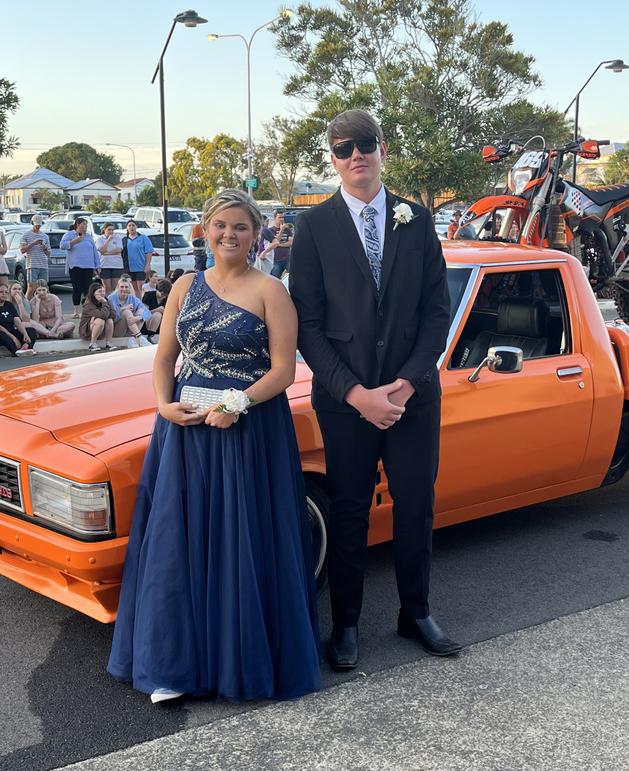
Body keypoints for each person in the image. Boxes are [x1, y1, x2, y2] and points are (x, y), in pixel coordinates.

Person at [107, 188, 321, 703]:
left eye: (241, 227)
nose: (229, 235)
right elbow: (164, 358)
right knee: (177, 540)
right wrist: (162, 404)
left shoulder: (272, 291)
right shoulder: (183, 285)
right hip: (183, 428)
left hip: (246, 431)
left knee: (240, 540)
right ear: (204, 229)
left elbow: (284, 370)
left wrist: (237, 405)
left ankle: (237, 659)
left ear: (256, 234)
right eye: (220, 225)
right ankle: (172, 666)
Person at [290, 109, 462, 671]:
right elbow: (307, 326)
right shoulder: (313, 228)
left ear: (382, 148)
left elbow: (437, 312)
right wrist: (356, 393)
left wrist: (409, 383)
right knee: (348, 511)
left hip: (414, 397)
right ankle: (346, 624)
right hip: (346, 404)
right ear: (333, 159)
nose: (355, 155)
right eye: (343, 149)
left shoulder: (418, 218)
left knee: (416, 504)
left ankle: (415, 613)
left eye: (364, 144)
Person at [60, 217, 101, 318]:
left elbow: (94, 252)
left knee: (87, 288)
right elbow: (62, 246)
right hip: (75, 266)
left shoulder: (89, 236)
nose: (86, 227)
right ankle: (76, 310)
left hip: (88, 266)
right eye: (84, 224)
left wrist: (97, 265)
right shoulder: (69, 234)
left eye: (86, 225)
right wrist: (76, 241)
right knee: (77, 288)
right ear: (78, 225)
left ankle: (87, 309)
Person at [107, 275, 152, 348]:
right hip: (116, 329)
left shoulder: (133, 298)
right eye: (122, 287)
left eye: (126, 287)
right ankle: (140, 337)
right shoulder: (111, 298)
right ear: (118, 288)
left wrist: (138, 318)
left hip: (130, 329)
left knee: (141, 311)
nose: (124, 289)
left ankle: (133, 338)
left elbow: (148, 313)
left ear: (129, 289)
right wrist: (123, 309)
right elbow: (109, 315)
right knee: (127, 312)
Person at [0, 283, 37, 356]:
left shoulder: (9, 305)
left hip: (11, 331)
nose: (4, 294)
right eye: (1, 292)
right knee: (1, 335)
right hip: (3, 333)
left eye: (6, 292)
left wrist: (25, 334)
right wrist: (13, 337)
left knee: (31, 330)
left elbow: (17, 321)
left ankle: (26, 347)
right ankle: (16, 351)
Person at [20, 214, 51, 300]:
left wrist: (45, 248)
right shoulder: (26, 235)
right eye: (36, 224)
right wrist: (33, 243)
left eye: (39, 225)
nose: (38, 226)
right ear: (32, 223)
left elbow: (49, 253)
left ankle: (42, 307)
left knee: (44, 288)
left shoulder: (45, 236)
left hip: (43, 264)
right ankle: (27, 307)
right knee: (31, 288)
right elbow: (22, 250)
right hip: (32, 264)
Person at [80, 281, 117, 351]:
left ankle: (109, 343)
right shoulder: (88, 304)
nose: (102, 293)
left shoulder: (105, 300)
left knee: (109, 320)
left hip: (101, 330)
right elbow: (102, 315)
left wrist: (104, 303)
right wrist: (104, 303)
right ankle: (92, 344)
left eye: (103, 291)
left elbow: (113, 314)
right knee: (100, 320)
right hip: (88, 332)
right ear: (93, 293)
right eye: (100, 291)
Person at [122, 220, 154, 297]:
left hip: (140, 267)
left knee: (141, 287)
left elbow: (149, 252)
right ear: (127, 228)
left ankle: (144, 303)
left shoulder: (143, 238)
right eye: (129, 225)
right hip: (129, 268)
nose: (131, 227)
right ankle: (136, 303)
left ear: (136, 227)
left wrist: (147, 265)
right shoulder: (124, 240)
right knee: (133, 288)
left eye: (133, 225)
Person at [263, 210, 293, 279]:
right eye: (279, 217)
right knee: (275, 279)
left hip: (287, 258)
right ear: (274, 218)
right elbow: (275, 242)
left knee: (291, 278)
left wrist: (278, 244)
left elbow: (291, 243)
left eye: (283, 217)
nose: (282, 219)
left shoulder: (287, 230)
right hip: (275, 259)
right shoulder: (270, 230)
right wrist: (281, 230)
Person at [96, 223, 124, 292]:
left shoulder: (118, 238)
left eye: (112, 230)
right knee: (107, 288)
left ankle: (115, 302)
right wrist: (108, 240)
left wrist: (107, 253)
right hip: (104, 265)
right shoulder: (100, 239)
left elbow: (118, 250)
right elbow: (102, 250)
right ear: (104, 230)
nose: (111, 231)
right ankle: (106, 302)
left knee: (116, 287)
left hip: (117, 266)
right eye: (109, 229)